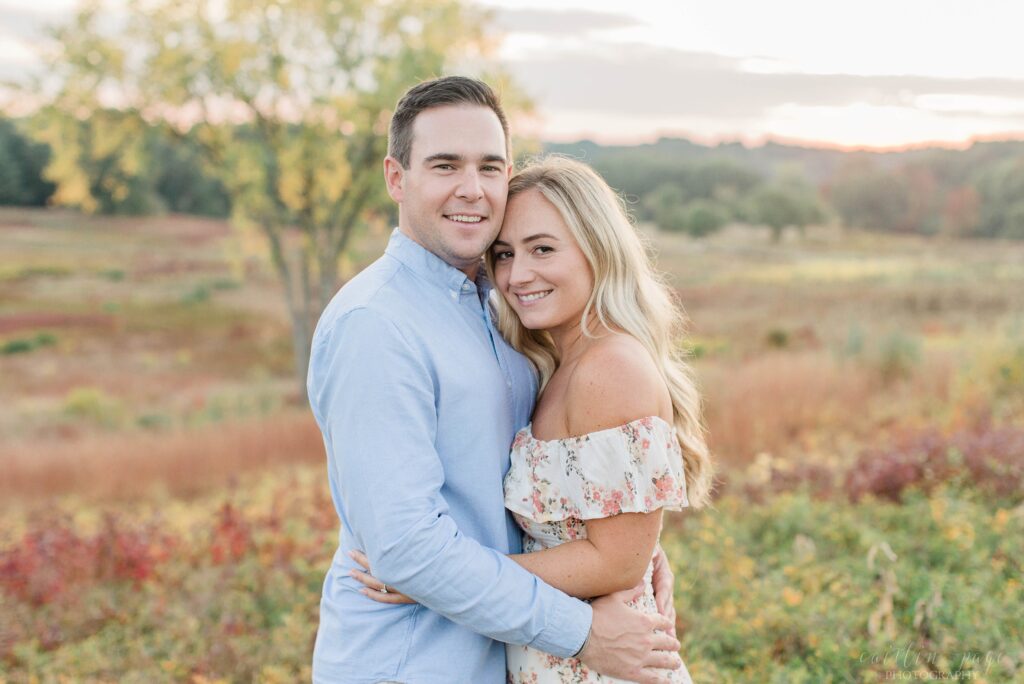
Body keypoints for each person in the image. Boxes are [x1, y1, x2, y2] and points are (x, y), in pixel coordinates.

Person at [306, 76, 683, 683]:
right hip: (413, 662)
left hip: (499, 658)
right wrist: (584, 630)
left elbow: (552, 490)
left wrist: (633, 559)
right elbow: (406, 553)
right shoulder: (376, 325)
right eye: (445, 165)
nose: (471, 189)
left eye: (489, 167)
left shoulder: (500, 315)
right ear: (396, 178)